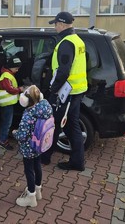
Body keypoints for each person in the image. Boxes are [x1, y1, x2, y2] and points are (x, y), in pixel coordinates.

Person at [41, 11, 88, 171]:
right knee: (70, 126)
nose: (55, 27)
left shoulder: (66, 43)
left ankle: (45, 157)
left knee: (53, 124)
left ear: (61, 24)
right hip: (77, 90)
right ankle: (77, 161)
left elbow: (63, 71)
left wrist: (52, 91)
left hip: (66, 93)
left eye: (55, 24)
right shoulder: (78, 40)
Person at [12, 85, 53, 207]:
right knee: (37, 166)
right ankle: (38, 190)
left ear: (25, 101)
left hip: (29, 148)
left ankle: (31, 196)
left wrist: (15, 133)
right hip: (40, 145)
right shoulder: (46, 108)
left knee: (29, 170)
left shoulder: (28, 115)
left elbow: (22, 136)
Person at [0, 56, 24, 150]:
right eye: (16, 68)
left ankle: (5, 135)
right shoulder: (6, 76)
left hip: (9, 103)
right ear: (11, 67)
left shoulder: (8, 74)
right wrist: (20, 89)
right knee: (6, 123)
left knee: (7, 121)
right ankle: (2, 140)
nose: (17, 70)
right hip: (6, 104)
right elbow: (10, 89)